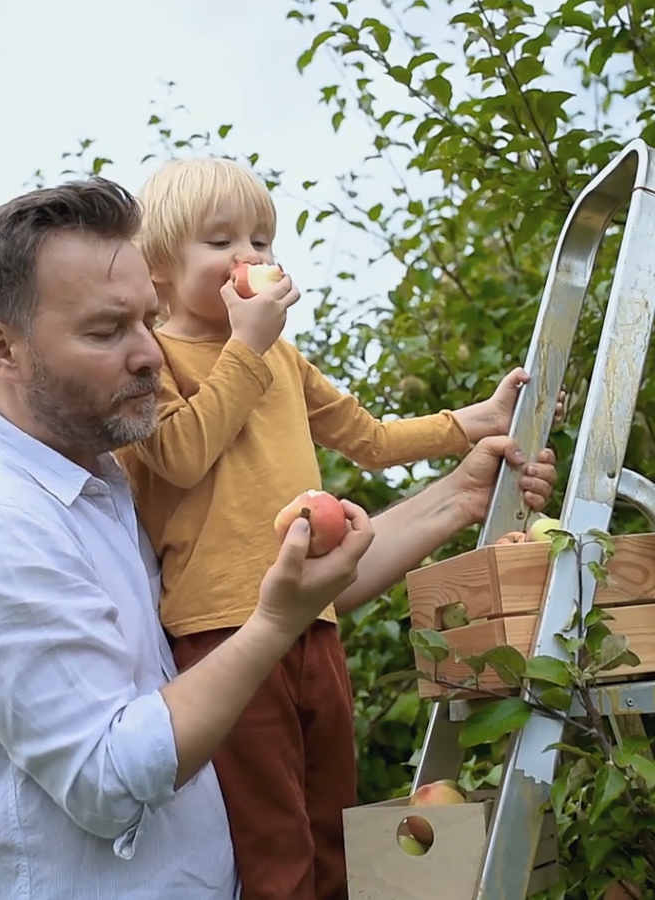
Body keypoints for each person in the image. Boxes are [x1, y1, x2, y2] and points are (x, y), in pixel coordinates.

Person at [0, 176, 560, 900]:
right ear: (2, 349)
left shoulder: (104, 485)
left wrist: (459, 496)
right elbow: (109, 781)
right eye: (107, 331)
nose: (148, 354)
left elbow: (272, 597)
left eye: (147, 320)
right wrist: (273, 625)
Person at [119, 157, 562, 900]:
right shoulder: (158, 360)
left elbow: (368, 438)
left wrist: (468, 425)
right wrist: (248, 348)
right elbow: (181, 454)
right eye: (222, 240)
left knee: (335, 828)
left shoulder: (282, 358)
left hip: (313, 626)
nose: (252, 258)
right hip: (220, 634)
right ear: (157, 270)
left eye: (263, 240)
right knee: (272, 840)